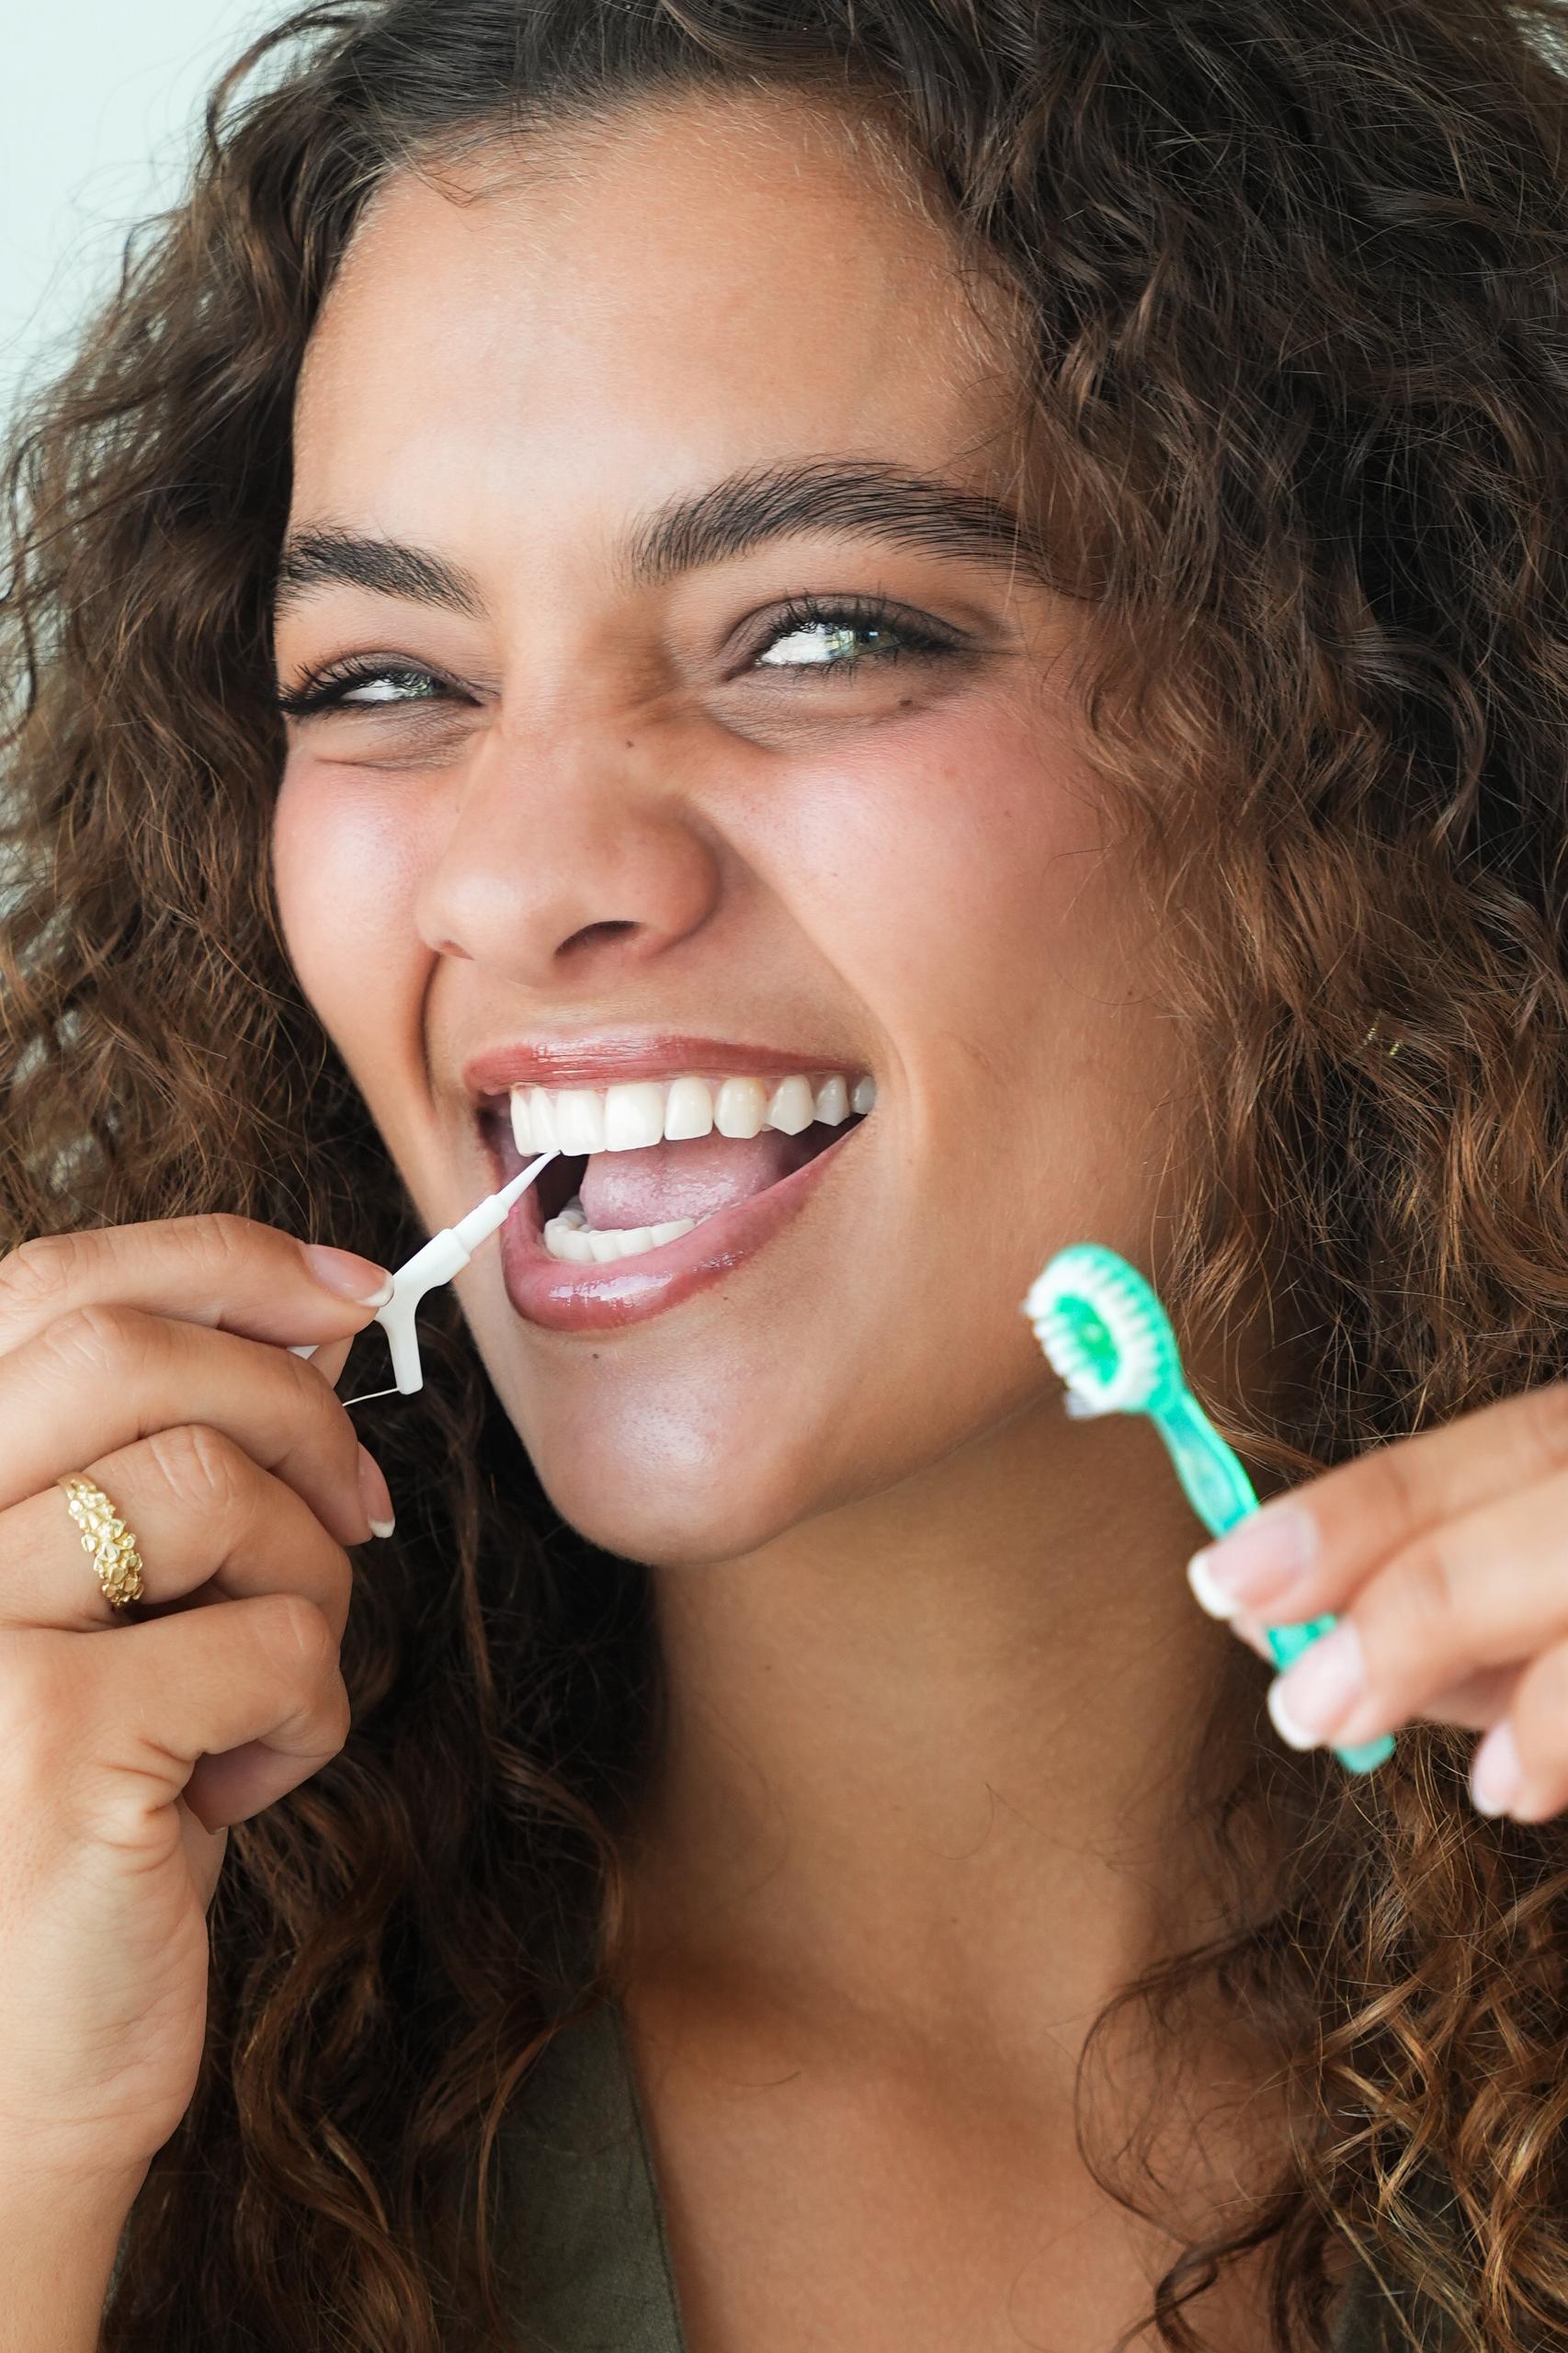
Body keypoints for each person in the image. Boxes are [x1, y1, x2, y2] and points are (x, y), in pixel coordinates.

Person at [3, 0, 1567, 2346]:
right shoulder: (115, 2050)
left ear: (1375, 707)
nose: (522, 877)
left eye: (820, 633)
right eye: (383, 677)